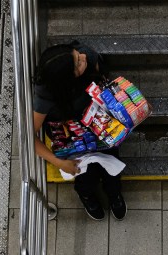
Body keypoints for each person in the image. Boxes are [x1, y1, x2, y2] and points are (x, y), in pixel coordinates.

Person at [33, 41, 127, 221]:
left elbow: (104, 81)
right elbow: (28, 137)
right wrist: (58, 162)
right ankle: (86, 195)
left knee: (113, 165)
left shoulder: (87, 56)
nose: (83, 57)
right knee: (85, 175)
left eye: (77, 55)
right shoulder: (46, 96)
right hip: (70, 134)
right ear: (67, 78)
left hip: (98, 122)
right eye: (77, 63)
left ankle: (114, 193)